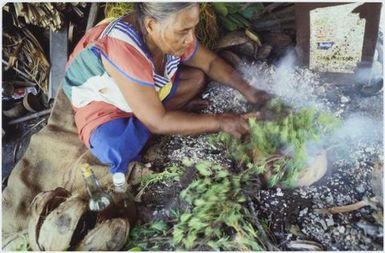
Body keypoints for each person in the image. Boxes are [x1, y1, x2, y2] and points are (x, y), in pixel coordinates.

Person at [63, 3, 269, 176]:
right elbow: (157, 122)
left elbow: (210, 63)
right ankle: (156, 116)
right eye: (183, 31)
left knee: (196, 79)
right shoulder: (123, 49)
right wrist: (221, 121)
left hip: (142, 90)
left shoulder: (169, 30)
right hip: (105, 105)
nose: (190, 38)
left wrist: (250, 90)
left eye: (193, 28)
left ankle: (155, 115)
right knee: (115, 149)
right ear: (151, 25)